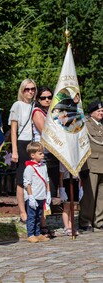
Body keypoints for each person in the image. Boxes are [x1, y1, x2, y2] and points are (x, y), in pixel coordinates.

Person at [31, 86, 59, 238]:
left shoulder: (53, 112)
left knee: (50, 190)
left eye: (49, 97)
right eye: (43, 98)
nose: (47, 100)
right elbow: (45, 132)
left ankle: (44, 222)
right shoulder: (37, 112)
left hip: (54, 154)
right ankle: (41, 225)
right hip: (42, 155)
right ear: (38, 99)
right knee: (42, 190)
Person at [8, 79, 37, 223]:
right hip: (21, 143)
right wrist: (14, 150)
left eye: (32, 89)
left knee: (33, 178)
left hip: (34, 143)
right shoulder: (17, 105)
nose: (30, 91)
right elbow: (13, 129)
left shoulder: (34, 106)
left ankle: (33, 209)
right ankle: (22, 212)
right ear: (22, 90)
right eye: (27, 89)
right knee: (21, 179)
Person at [79, 99, 103, 232]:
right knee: (90, 194)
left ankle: (99, 221)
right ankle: (85, 221)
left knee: (101, 195)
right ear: (92, 112)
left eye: (102, 111)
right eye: (99, 111)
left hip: (102, 164)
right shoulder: (85, 124)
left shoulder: (101, 125)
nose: (101, 113)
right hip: (91, 163)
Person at [23, 142, 51, 243]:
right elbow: (27, 183)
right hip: (33, 196)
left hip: (41, 195)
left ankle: (38, 233)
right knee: (32, 216)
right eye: (40, 153)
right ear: (32, 155)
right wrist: (30, 196)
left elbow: (46, 180)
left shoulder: (43, 166)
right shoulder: (29, 168)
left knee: (39, 215)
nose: (42, 155)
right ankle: (30, 234)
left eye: (43, 153)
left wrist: (48, 193)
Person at [59, 163, 80, 236]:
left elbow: (79, 175)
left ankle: (71, 226)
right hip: (67, 182)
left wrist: (81, 188)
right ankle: (67, 226)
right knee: (67, 207)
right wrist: (61, 189)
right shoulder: (64, 162)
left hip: (76, 182)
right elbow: (61, 176)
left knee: (73, 208)